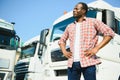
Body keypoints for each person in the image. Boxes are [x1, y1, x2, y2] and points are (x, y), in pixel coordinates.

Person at [58, 2, 115, 80]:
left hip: (88, 62)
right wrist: (64, 51)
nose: (74, 10)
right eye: (74, 9)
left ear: (83, 11)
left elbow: (109, 33)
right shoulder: (69, 26)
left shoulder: (93, 21)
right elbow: (62, 40)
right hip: (72, 64)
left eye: (76, 9)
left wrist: (96, 48)